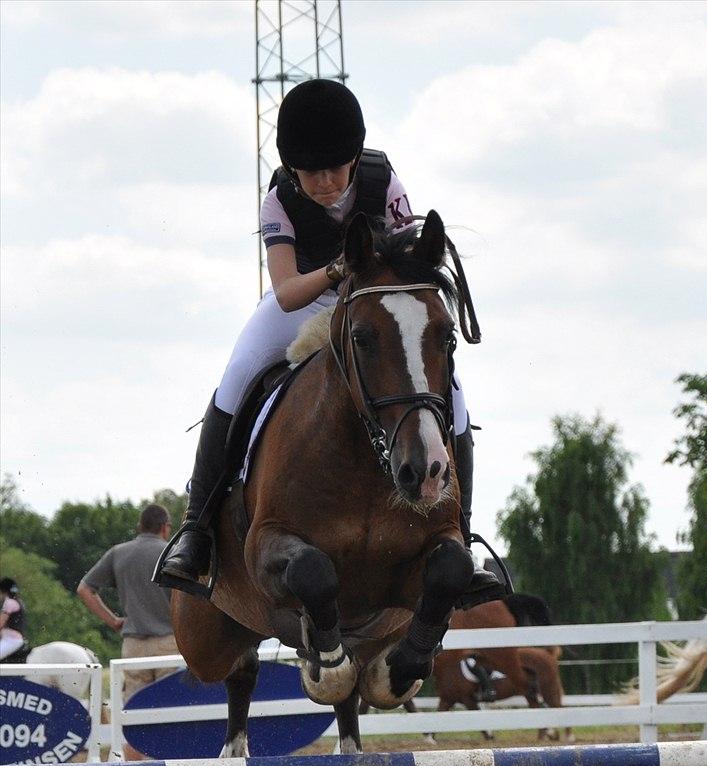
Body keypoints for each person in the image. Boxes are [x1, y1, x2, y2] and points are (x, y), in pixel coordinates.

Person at [159, 78, 496, 605]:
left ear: (354, 158)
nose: (322, 181)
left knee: (451, 394)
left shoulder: (382, 180)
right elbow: (287, 292)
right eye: (310, 172)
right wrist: (338, 270)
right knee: (236, 377)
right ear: (291, 167)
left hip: (373, 305)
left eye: (334, 169)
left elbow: (406, 259)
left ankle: (465, 535)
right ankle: (196, 529)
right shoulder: (278, 201)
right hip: (306, 304)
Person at [77, 504, 177, 703]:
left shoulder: (118, 553)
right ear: (165, 527)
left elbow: (84, 589)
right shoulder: (173, 553)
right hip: (169, 643)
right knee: (171, 704)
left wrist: (113, 621)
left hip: (133, 646)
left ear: (140, 526)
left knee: (135, 707)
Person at [0, 577, 27, 660]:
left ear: (3, 591)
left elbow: (1, 623)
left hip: (11, 640)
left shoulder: (9, 602)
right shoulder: (18, 601)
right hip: (12, 639)